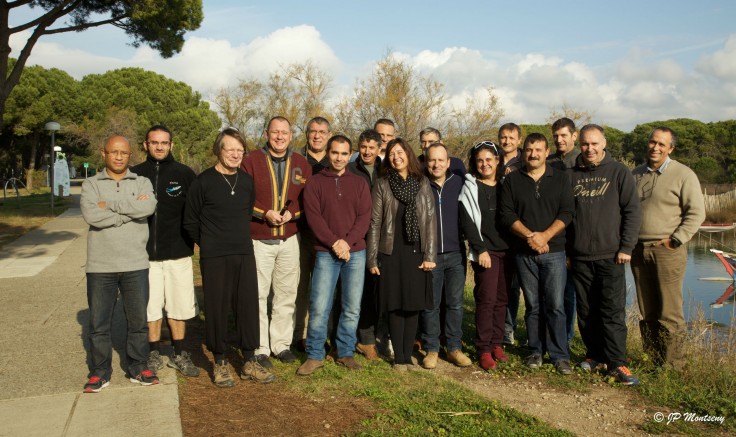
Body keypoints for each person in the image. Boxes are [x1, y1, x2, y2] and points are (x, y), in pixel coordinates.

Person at [184, 128, 274, 388]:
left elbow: (246, 213)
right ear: (218, 150)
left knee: (248, 307)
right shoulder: (203, 182)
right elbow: (190, 222)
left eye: (239, 150)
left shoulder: (246, 181)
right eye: (229, 149)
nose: (235, 154)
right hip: (215, 256)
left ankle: (249, 360)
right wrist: (210, 243)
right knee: (217, 309)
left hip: (244, 252)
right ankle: (220, 361)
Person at [80, 135, 158, 392]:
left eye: (123, 153)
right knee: (98, 325)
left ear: (130, 154)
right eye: (113, 152)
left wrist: (109, 207)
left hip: (135, 263)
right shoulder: (91, 184)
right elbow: (92, 215)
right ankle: (100, 372)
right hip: (100, 266)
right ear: (104, 154)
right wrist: (127, 211)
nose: (118, 157)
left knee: (138, 322)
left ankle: (138, 366)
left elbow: (148, 209)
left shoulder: (142, 181)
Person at [569, 124, 642, 385]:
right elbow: (566, 217)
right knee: (587, 311)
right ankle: (594, 355)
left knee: (612, 311)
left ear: (604, 143)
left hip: (611, 255)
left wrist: (626, 247)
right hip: (579, 257)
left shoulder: (619, 172)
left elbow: (632, 212)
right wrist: (568, 251)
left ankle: (617, 363)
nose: (589, 149)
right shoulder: (571, 175)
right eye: (585, 144)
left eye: (594, 143)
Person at [499, 133, 575, 375]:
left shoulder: (561, 178)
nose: (533, 154)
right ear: (524, 151)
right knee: (532, 306)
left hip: (554, 252)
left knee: (555, 305)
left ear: (546, 151)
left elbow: (567, 213)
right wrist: (531, 237)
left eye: (538, 150)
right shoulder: (512, 180)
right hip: (524, 252)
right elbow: (507, 215)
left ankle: (560, 355)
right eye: (529, 150)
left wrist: (545, 237)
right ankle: (535, 351)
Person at [297, 135, 372, 375]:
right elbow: (314, 218)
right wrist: (334, 243)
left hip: (355, 253)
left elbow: (364, 218)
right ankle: (315, 354)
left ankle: (345, 352)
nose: (339, 158)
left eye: (343, 153)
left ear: (349, 155)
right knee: (320, 305)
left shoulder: (359, 183)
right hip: (325, 253)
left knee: (351, 306)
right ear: (328, 153)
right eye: (335, 153)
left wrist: (347, 243)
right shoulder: (315, 183)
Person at [631, 126, 705, 370]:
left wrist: (675, 240)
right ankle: (652, 360)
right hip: (638, 251)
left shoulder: (683, 174)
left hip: (667, 250)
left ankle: (674, 366)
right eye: (653, 142)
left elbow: (696, 213)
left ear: (671, 148)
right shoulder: (637, 174)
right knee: (647, 310)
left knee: (670, 313)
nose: (656, 148)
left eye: (662, 144)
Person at [242, 116, 311, 367]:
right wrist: (264, 213)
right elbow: (242, 196)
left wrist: (293, 214)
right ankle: (260, 347)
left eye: (284, 132)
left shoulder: (302, 163)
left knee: (286, 293)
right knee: (258, 294)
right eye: (275, 132)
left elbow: (308, 201)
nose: (279, 137)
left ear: (291, 135)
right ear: (266, 133)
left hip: (289, 238)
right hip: (259, 238)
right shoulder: (250, 160)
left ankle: (281, 344)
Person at [131, 125, 199, 378]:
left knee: (179, 308)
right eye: (154, 142)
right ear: (145, 144)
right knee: (151, 309)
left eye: (164, 142)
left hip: (178, 254)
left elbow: (196, 212)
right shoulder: (135, 175)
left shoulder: (184, 174)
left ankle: (179, 354)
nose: (159, 146)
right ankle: (153, 354)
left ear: (171, 145)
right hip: (145, 257)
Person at [367, 138, 437, 371]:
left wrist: (430, 255)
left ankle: (408, 355)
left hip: (416, 251)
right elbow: (375, 222)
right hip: (391, 251)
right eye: (392, 154)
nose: (396, 157)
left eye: (400, 152)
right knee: (396, 304)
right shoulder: (383, 183)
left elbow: (429, 222)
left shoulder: (422, 183)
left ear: (409, 154)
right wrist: (372, 257)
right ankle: (399, 359)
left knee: (413, 304)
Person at [459, 141, 512, 371]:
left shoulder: (505, 185)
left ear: (497, 160)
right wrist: (480, 249)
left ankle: (496, 343)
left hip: (507, 250)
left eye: (489, 159)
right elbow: (467, 221)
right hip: (485, 252)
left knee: (502, 300)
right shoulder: (470, 187)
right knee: (486, 300)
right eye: (480, 160)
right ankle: (483, 348)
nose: (485, 164)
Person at [420, 142, 472, 369]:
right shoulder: (421, 184)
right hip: (429, 255)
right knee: (431, 304)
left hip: (455, 253)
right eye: (432, 160)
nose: (436, 164)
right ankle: (431, 349)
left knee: (455, 304)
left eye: (441, 160)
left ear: (449, 162)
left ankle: (453, 348)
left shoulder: (459, 183)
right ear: (426, 161)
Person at [294, 116, 332, 351]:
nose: (317, 135)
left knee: (323, 289)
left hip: (326, 236)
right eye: (313, 131)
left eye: (322, 132)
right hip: (299, 233)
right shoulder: (296, 159)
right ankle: (298, 334)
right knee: (298, 287)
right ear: (307, 134)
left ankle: (320, 335)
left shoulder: (336, 160)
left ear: (328, 135)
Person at [349, 129, 384, 360]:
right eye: (363, 147)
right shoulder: (350, 170)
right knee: (349, 293)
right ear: (358, 147)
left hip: (380, 239)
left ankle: (368, 339)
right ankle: (344, 339)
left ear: (379, 148)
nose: (367, 151)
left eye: (372, 147)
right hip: (355, 238)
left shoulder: (386, 169)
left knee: (373, 292)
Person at [547, 117, 581, 345]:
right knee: (550, 296)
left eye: (564, 135)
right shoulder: (548, 162)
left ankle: (565, 340)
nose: (559, 140)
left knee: (569, 296)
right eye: (556, 136)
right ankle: (548, 338)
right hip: (552, 237)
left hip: (577, 237)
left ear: (574, 135)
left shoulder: (582, 161)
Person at [498, 122, 523, 346]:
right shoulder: (493, 159)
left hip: (520, 233)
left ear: (519, 140)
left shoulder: (525, 162)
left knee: (517, 286)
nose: (506, 141)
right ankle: (503, 328)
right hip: (498, 233)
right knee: (503, 285)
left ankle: (512, 328)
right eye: (503, 137)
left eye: (511, 137)